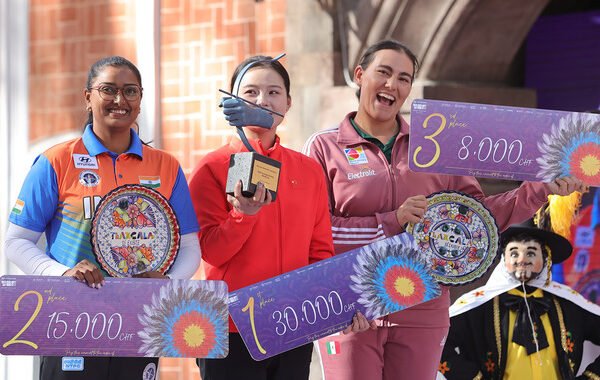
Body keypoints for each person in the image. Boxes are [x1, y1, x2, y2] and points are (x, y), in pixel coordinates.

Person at [302, 39, 587, 380]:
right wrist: (392, 221)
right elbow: (314, 230)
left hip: (423, 309)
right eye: (384, 72)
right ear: (360, 75)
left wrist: (540, 190)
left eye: (404, 78)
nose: (393, 84)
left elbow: (480, 220)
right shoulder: (323, 147)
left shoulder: (437, 145)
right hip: (351, 307)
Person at [4, 56, 201, 380]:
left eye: (130, 91)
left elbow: (190, 247)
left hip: (139, 322)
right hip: (68, 322)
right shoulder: (56, 161)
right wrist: (63, 272)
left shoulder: (165, 166)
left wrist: (167, 284)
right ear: (88, 97)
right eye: (108, 89)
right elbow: (16, 242)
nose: (120, 100)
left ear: (140, 100)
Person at [188, 55, 336, 380]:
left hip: (293, 322)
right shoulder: (212, 167)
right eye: (251, 92)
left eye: (273, 92)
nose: (262, 100)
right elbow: (210, 251)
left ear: (288, 102)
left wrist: (326, 307)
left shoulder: (308, 170)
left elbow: (321, 250)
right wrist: (243, 215)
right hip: (230, 325)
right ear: (232, 100)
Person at [440, 226, 600, 379]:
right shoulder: (479, 305)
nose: (522, 259)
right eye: (514, 253)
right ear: (504, 259)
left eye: (531, 253)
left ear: (545, 259)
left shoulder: (568, 304)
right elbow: (437, 342)